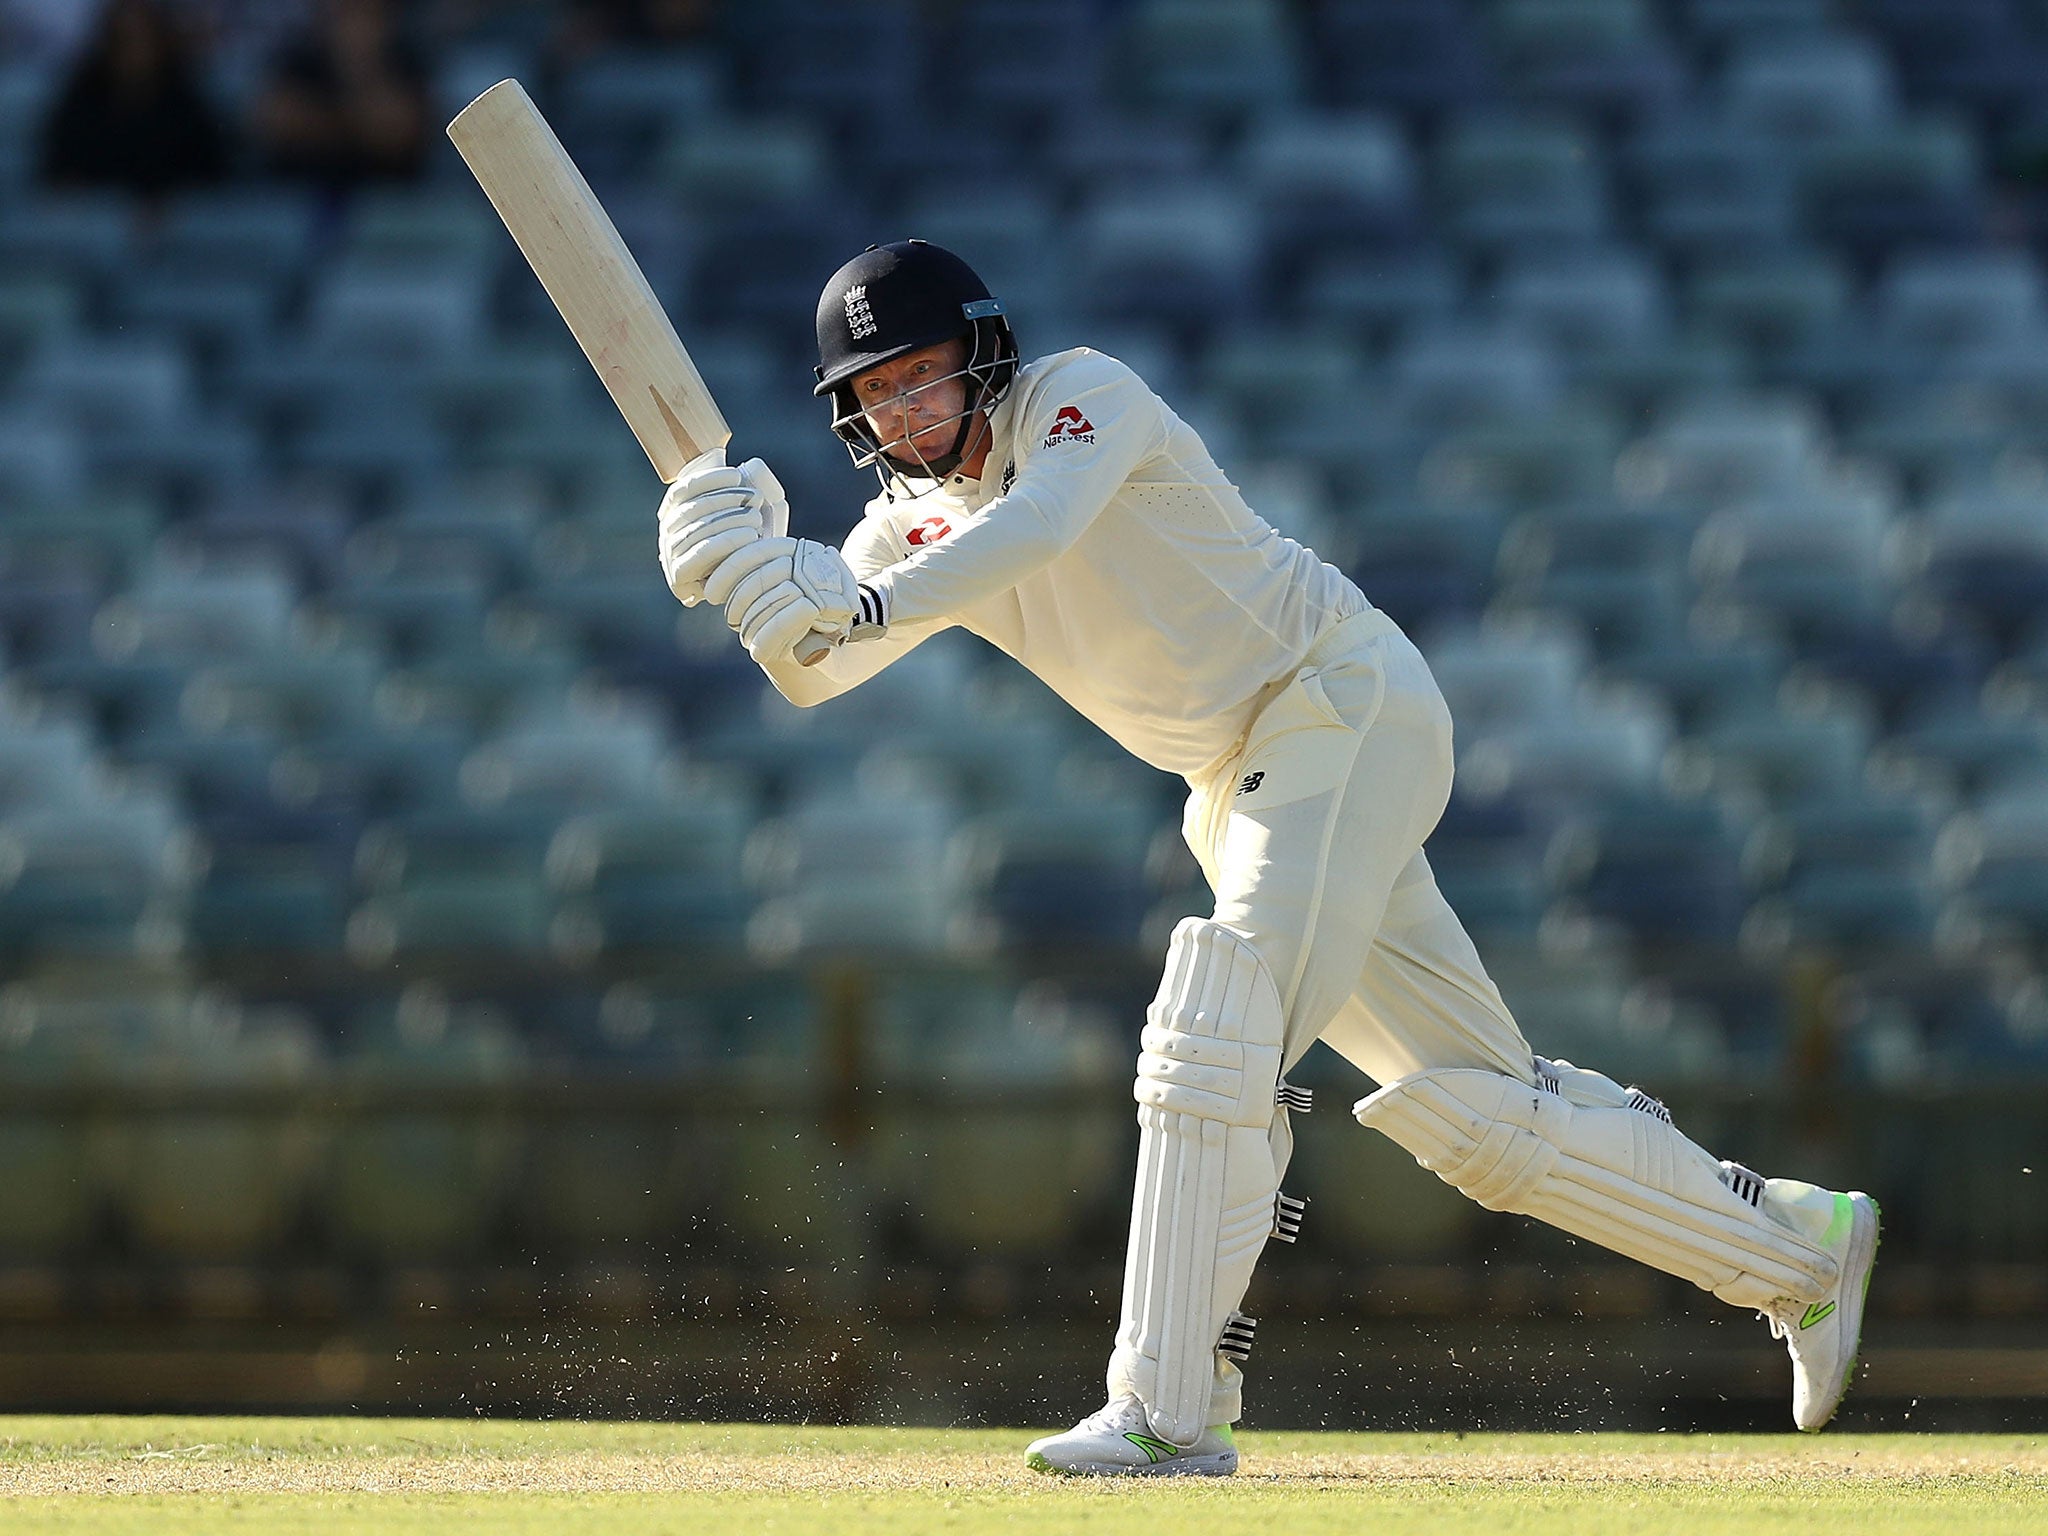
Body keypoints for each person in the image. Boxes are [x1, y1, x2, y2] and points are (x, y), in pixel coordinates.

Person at [655, 240, 1881, 1476]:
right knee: (1478, 1113)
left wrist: (843, 593)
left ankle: (1169, 1406)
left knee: (1218, 1017)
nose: (904, 410)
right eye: (874, 394)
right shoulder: (907, 527)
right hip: (1240, 783)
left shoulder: (1086, 396)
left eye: (921, 374)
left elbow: (1034, 529)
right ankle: (1798, 1250)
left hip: (1334, 696)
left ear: (981, 352)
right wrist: (744, 574)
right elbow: (818, 670)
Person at [37, 0, 231, 200]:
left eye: (145, 40)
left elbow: (209, 172)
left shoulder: (185, 103)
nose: (136, 52)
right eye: (126, 40)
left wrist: (162, 193)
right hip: (93, 222)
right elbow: (60, 170)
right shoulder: (81, 101)